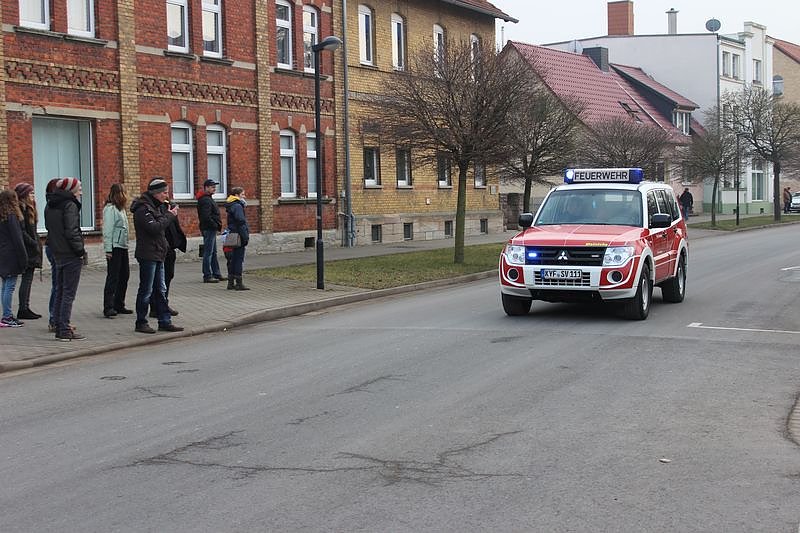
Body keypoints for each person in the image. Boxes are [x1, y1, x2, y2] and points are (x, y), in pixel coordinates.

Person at [130, 177, 183, 334]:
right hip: (148, 253)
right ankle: (141, 322)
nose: (166, 196)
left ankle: (164, 321)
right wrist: (170, 215)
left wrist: (167, 214)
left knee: (161, 289)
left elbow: (161, 225)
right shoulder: (143, 209)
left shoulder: (158, 207)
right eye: (164, 192)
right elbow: (154, 228)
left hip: (159, 252)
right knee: (146, 290)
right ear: (156, 193)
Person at [45, 177, 86, 341]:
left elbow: (50, 229)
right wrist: (80, 251)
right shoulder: (70, 205)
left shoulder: (50, 204)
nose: (81, 191)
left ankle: (57, 325)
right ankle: (63, 329)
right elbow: (72, 231)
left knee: (60, 291)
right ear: (71, 190)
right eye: (79, 188)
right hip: (70, 254)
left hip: (57, 252)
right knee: (68, 294)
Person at [150, 198, 185, 317]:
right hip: (161, 249)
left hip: (169, 248)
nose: (166, 194)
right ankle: (157, 307)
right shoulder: (155, 208)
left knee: (168, 276)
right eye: (164, 192)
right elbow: (160, 226)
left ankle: (163, 304)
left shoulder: (167, 205)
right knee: (160, 280)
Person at [102, 183, 132, 318]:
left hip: (122, 245)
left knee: (124, 275)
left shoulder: (121, 209)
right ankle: (108, 306)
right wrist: (108, 249)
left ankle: (119, 303)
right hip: (114, 247)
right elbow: (107, 230)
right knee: (113, 277)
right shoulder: (110, 209)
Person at [14, 182, 43, 320]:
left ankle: (25, 306)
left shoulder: (30, 208)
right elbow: (22, 231)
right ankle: (23, 308)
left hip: (32, 248)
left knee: (28, 279)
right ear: (24, 195)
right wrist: (33, 243)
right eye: (31, 193)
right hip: (27, 249)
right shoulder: (20, 209)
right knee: (26, 279)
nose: (33, 196)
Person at [0, 189, 28, 327]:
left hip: (3, 254)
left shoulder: (2, 216)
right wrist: (24, 257)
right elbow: (18, 239)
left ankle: (6, 314)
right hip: (11, 255)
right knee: (9, 286)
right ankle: (7, 316)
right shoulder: (12, 216)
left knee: (5, 286)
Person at [196, 179, 225, 283]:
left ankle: (216, 273)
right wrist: (215, 225)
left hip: (210, 228)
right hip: (209, 229)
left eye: (214, 187)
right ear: (206, 188)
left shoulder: (208, 198)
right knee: (208, 252)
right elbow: (206, 217)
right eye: (212, 187)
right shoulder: (205, 200)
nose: (214, 189)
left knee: (213, 252)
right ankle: (207, 275)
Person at [225, 187, 250, 290]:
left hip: (232, 235)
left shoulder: (231, 205)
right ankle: (239, 283)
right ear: (237, 195)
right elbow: (241, 221)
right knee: (238, 259)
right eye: (243, 195)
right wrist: (245, 236)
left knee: (232, 258)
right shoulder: (238, 206)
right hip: (239, 235)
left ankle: (230, 282)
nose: (244, 197)